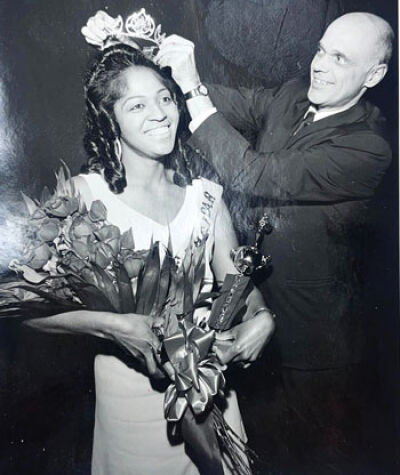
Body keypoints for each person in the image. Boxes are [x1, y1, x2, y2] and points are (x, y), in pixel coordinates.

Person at [24, 23, 275, 475]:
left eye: (165, 98)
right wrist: (113, 327)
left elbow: (238, 285)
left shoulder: (206, 198)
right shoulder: (81, 196)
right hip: (130, 408)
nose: (159, 114)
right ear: (109, 119)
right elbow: (23, 308)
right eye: (136, 105)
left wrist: (261, 317)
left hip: (211, 393)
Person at [151, 11, 394, 473]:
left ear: (374, 75)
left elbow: (254, 173)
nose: (320, 65)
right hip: (249, 323)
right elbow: (223, 100)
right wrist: (152, 60)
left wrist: (192, 87)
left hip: (312, 348)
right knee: (256, 457)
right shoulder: (294, 93)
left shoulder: (368, 147)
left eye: (340, 58)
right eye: (321, 50)